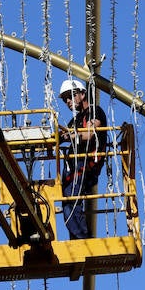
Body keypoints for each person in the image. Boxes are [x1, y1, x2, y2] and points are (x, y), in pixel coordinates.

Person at [58, 78, 108, 240]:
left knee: (70, 200)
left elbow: (90, 133)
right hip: (75, 166)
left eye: (70, 96)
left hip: (88, 162)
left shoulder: (95, 111)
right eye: (65, 99)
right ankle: (77, 238)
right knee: (68, 202)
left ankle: (81, 239)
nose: (68, 101)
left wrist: (70, 136)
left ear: (82, 94)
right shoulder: (74, 121)